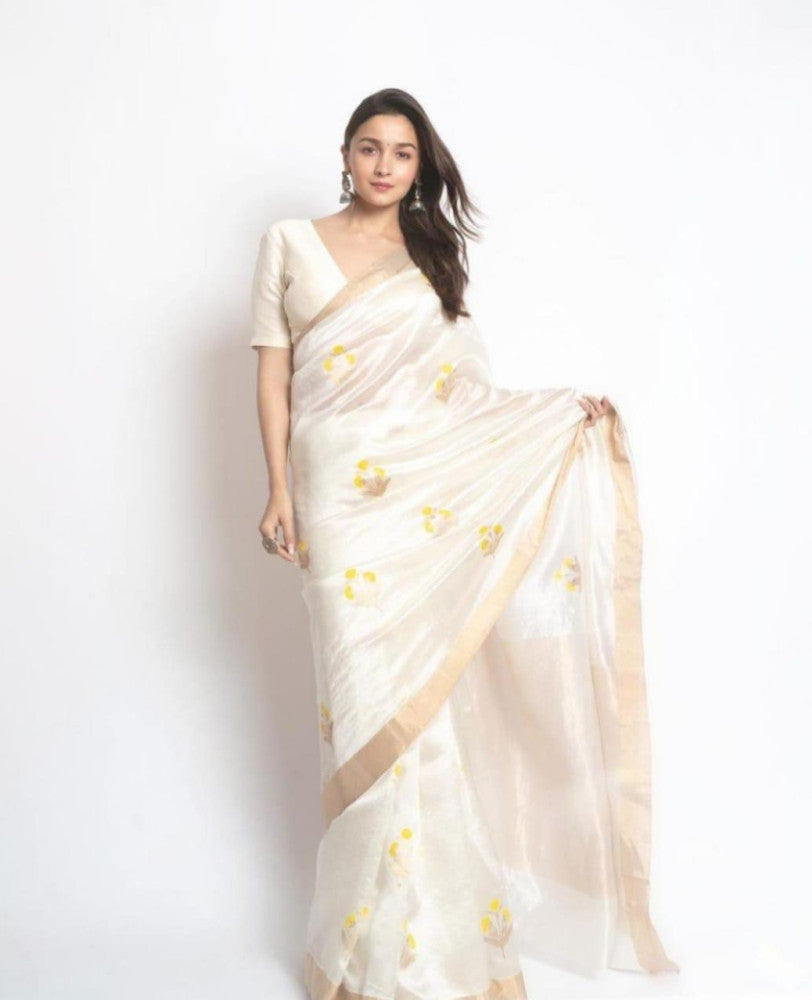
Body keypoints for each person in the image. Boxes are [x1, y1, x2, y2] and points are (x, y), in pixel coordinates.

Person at [249, 87, 679, 1000]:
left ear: (419, 168)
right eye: (370, 147)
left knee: (421, 707)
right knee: (360, 703)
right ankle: (360, 948)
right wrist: (279, 489)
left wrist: (555, 412)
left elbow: (463, 396)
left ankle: (430, 948)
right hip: (333, 494)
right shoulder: (289, 242)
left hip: (415, 498)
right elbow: (274, 375)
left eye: (402, 153)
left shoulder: (429, 260)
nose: (384, 165)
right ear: (345, 154)